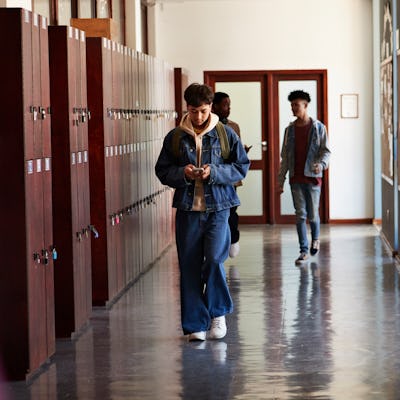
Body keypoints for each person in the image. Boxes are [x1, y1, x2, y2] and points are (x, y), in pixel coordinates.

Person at [155, 83, 250, 341]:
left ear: (211, 108)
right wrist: (182, 174)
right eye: (194, 111)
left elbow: (241, 167)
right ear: (187, 108)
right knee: (189, 265)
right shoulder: (175, 137)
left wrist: (215, 173)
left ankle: (217, 313)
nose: (198, 116)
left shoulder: (225, 134)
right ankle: (196, 323)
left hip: (219, 208)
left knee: (215, 259)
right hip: (188, 210)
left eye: (203, 111)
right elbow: (162, 171)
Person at [277, 90, 330, 265]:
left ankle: (316, 239)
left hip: (313, 178)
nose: (293, 108)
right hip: (295, 178)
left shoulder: (318, 128)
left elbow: (326, 152)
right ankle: (303, 251)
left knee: (313, 214)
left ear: (305, 106)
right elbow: (284, 157)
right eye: (291, 105)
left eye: (296, 105)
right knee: (300, 215)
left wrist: (320, 165)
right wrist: (280, 181)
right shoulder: (289, 131)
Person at [212, 92, 250, 258]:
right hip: (213, 175)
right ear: (214, 106)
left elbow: (238, 151)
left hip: (231, 177)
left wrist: (243, 151)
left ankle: (233, 238)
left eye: (229, 104)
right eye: (225, 105)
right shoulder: (210, 126)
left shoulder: (234, 127)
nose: (228, 108)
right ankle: (219, 244)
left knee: (231, 210)